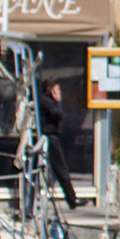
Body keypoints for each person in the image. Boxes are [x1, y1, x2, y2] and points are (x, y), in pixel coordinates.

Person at [39, 78, 80, 208]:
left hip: (52, 136)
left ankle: (71, 198)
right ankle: (71, 199)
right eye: (57, 90)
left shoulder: (46, 101)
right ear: (50, 90)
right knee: (60, 168)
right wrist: (57, 101)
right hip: (49, 137)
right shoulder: (46, 101)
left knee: (59, 169)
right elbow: (59, 114)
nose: (59, 93)